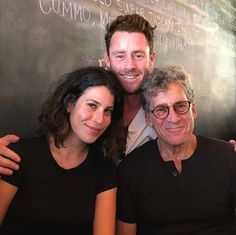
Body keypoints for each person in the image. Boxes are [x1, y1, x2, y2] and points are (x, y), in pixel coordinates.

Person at [0, 14, 235, 173]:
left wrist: (227, 152)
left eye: (138, 55)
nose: (130, 65)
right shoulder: (89, 106)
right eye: (120, 55)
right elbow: (50, 148)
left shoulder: (164, 108)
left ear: (151, 59)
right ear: (108, 58)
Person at [0, 66, 127, 234]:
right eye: (92, 105)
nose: (99, 119)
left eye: (108, 111)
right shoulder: (18, 155)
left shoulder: (105, 170)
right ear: (69, 104)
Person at [116, 65, 236, 235]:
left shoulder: (227, 157)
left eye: (180, 106)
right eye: (161, 109)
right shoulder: (131, 170)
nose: (173, 118)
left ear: (193, 110)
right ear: (149, 119)